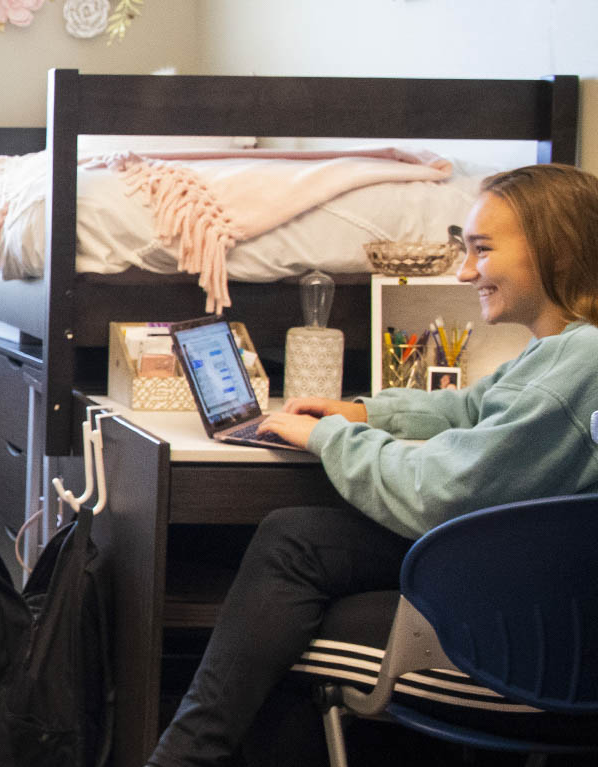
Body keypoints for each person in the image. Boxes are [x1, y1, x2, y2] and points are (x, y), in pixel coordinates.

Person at [148, 164, 598, 766]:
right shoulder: (566, 347)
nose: (466, 272)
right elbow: (472, 407)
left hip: (531, 624)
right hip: (534, 579)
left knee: (294, 550)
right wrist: (364, 413)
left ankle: (181, 758)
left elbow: (442, 491)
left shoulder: (583, 359)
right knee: (297, 544)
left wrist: (328, 436)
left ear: (558, 252)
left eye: (482, 251)